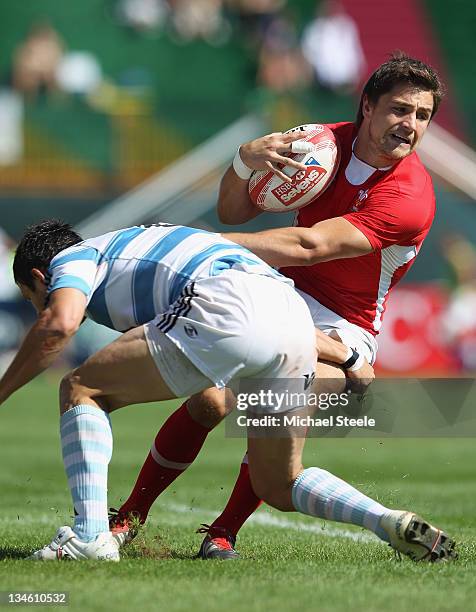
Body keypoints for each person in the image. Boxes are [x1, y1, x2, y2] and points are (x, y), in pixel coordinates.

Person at [110, 53, 455, 562]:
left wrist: (199, 243)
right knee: (208, 403)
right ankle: (126, 519)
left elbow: (310, 246)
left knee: (271, 409)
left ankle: (224, 531)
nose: (410, 125)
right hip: (277, 292)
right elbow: (234, 208)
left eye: (422, 116)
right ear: (367, 106)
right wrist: (241, 162)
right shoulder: (317, 143)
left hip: (345, 328)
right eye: (400, 109)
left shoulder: (411, 197)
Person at [3, 218, 455, 563]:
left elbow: (58, 325)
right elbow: (267, 315)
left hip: (225, 308)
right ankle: (387, 521)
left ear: (42, 277)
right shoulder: (152, 239)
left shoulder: (75, 259)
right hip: (292, 319)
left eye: (32, 296)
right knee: (279, 483)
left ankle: (88, 536)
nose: (40, 303)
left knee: (83, 388)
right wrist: (350, 358)